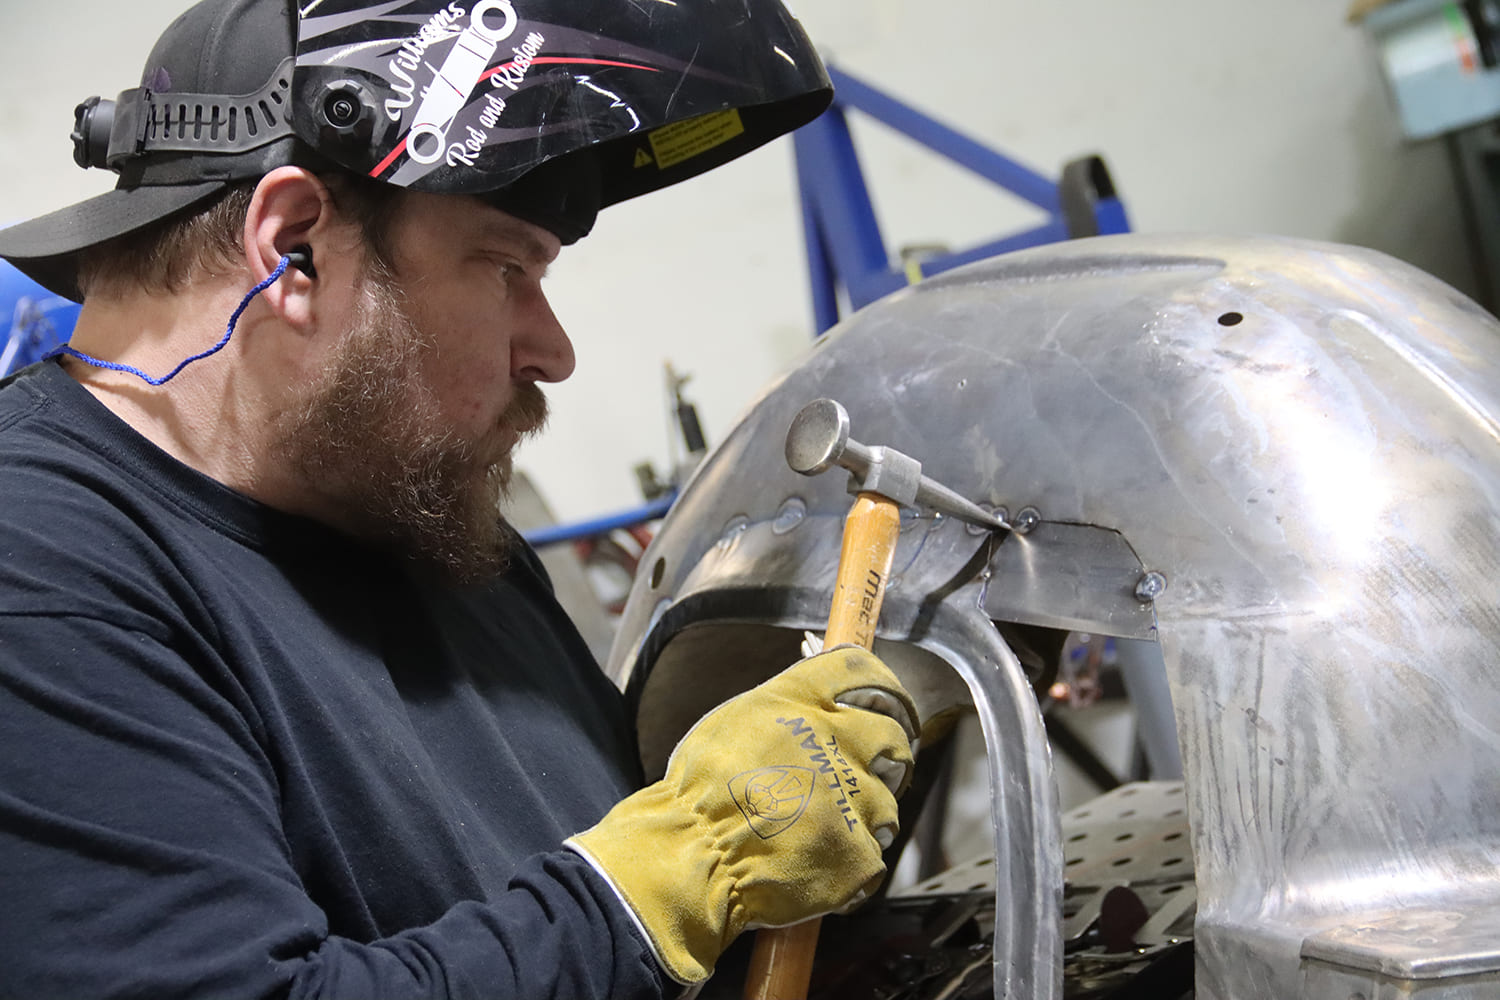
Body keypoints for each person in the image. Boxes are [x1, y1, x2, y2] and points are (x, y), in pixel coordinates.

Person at [0, 1, 921, 997]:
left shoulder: (414, 517)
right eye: (507, 267)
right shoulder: (40, 566)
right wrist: (687, 867)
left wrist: (801, 805)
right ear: (296, 246)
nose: (554, 351)